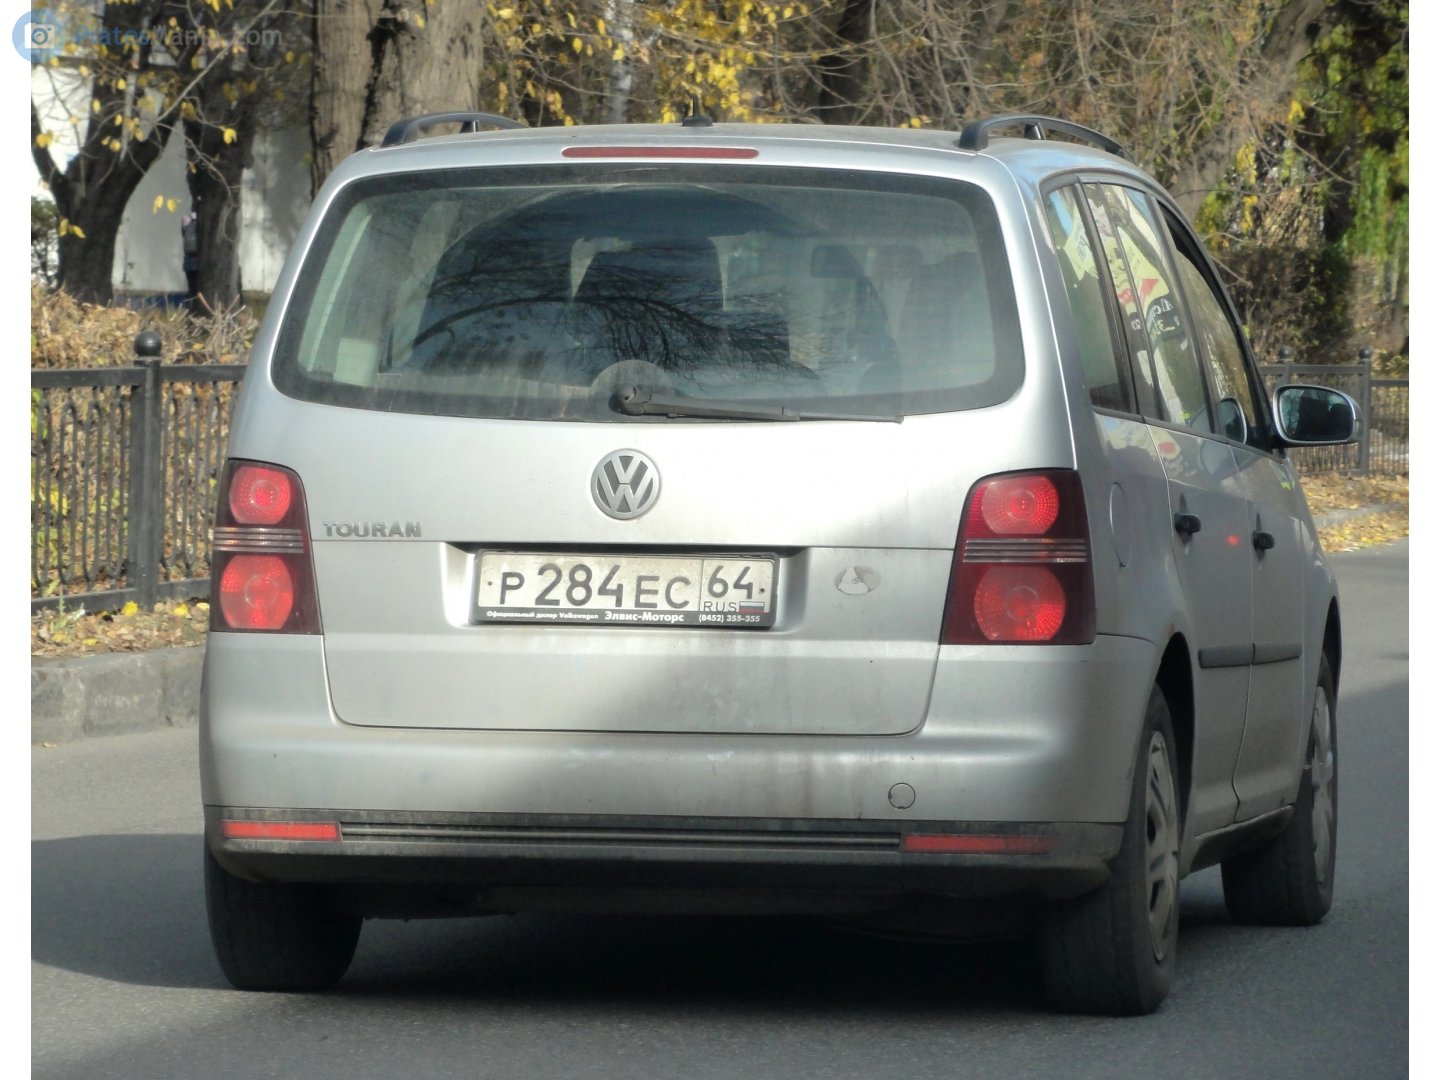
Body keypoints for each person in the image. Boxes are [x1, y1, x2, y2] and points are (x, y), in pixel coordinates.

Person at [180, 205, 199, 305]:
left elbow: (183, 233)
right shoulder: (202, 220)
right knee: (198, 288)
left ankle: (190, 306)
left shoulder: (185, 219)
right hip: (199, 260)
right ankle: (196, 305)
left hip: (188, 259)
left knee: (191, 287)